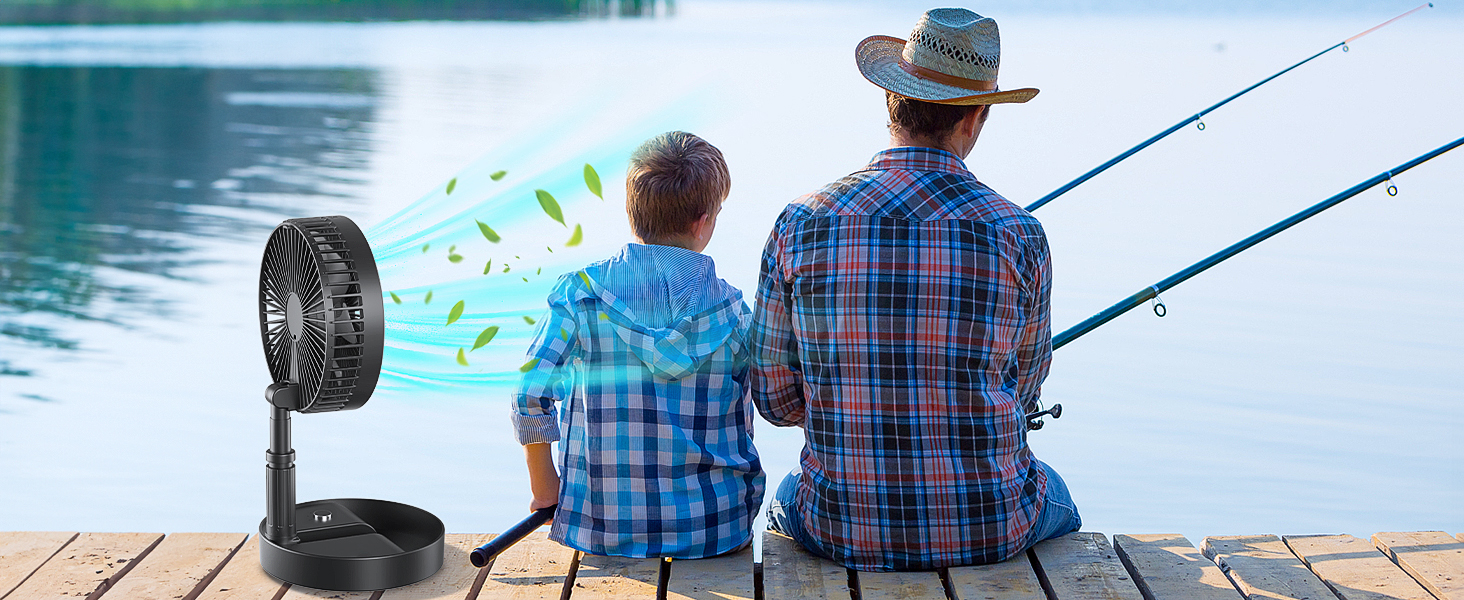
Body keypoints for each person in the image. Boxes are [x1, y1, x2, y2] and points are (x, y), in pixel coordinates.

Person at [749, 8, 1079, 572]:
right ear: (975, 118)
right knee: (1059, 496)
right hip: (989, 529)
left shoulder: (799, 222)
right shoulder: (1019, 233)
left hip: (839, 527)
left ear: (890, 100)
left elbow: (775, 402)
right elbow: (1022, 396)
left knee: (787, 493)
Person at [511, 131, 765, 559]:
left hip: (603, 530)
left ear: (632, 213)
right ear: (704, 222)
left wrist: (545, 487)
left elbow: (529, 395)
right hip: (714, 529)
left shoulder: (580, 296)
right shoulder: (735, 312)